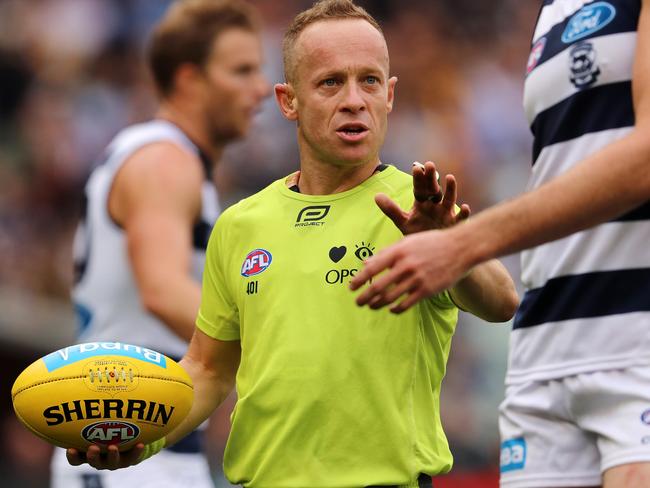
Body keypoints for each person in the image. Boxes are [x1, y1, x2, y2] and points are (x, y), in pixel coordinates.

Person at [67, 0, 519, 486]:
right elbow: (207, 369)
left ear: (389, 95)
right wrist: (140, 437)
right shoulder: (241, 223)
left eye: (369, 81)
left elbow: (502, 302)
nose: (354, 99)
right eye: (330, 82)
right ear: (288, 100)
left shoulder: (419, 205)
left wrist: (451, 247)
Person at [351, 0, 650, 487]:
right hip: (544, 349)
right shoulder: (551, 11)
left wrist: (463, 244)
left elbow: (645, 159)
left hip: (635, 342)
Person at [51, 1, 269, 487]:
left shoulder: (164, 156)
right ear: (189, 79)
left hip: (141, 439)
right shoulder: (166, 160)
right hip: (131, 444)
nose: (261, 89)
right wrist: (280, 343)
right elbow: (162, 289)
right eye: (242, 71)